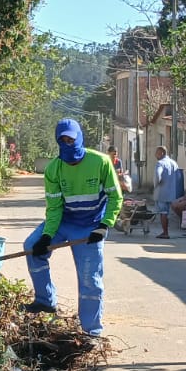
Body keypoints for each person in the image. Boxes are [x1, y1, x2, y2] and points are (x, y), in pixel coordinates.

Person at [24, 119, 123, 337]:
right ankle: (45, 300)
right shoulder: (53, 169)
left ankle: (91, 331)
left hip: (90, 226)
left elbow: (115, 197)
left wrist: (104, 225)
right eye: (63, 140)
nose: (68, 144)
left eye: (71, 139)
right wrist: (47, 236)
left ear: (79, 138)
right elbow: (54, 207)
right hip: (64, 221)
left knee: (90, 280)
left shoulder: (100, 162)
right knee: (32, 247)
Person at [153, 146, 180, 238]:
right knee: (168, 213)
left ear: (161, 153)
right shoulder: (174, 163)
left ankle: (165, 233)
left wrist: (157, 184)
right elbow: (178, 177)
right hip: (172, 192)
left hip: (162, 192)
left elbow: (158, 175)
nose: (155, 155)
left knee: (163, 212)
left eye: (156, 153)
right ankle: (166, 231)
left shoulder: (160, 163)